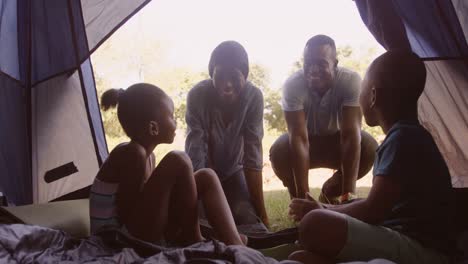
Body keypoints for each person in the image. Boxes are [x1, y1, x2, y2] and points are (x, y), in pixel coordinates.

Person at [288, 51, 455, 264]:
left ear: (373, 96)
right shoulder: (407, 134)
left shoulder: (403, 138)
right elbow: (379, 204)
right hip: (406, 240)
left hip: (421, 248)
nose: (359, 97)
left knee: (314, 223)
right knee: (300, 258)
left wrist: (323, 209)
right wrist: (332, 209)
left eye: (362, 90)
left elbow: (373, 211)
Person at [89, 83, 245, 246]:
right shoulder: (133, 154)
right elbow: (128, 213)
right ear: (153, 128)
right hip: (117, 239)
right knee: (178, 159)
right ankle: (194, 239)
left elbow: (151, 203)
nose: (176, 121)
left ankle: (233, 241)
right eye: (171, 116)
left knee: (206, 176)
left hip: (135, 229)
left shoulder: (149, 157)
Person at [270, 35, 378, 203]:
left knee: (369, 147)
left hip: (338, 141)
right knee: (279, 150)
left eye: (321, 63)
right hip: (307, 141)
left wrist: (348, 197)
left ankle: (331, 191)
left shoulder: (351, 81)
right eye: (308, 64)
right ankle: (297, 198)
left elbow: (350, 136)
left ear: (335, 65)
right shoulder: (292, 85)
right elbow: (298, 138)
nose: (313, 70)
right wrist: (304, 197)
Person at [185, 41, 269, 230]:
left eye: (234, 76)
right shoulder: (197, 96)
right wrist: (201, 197)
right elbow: (195, 153)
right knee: (200, 223)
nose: (227, 84)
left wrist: (262, 215)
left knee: (250, 221)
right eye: (220, 76)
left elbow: (253, 157)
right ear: (211, 75)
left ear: (245, 76)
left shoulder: (253, 97)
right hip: (203, 174)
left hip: (233, 173)